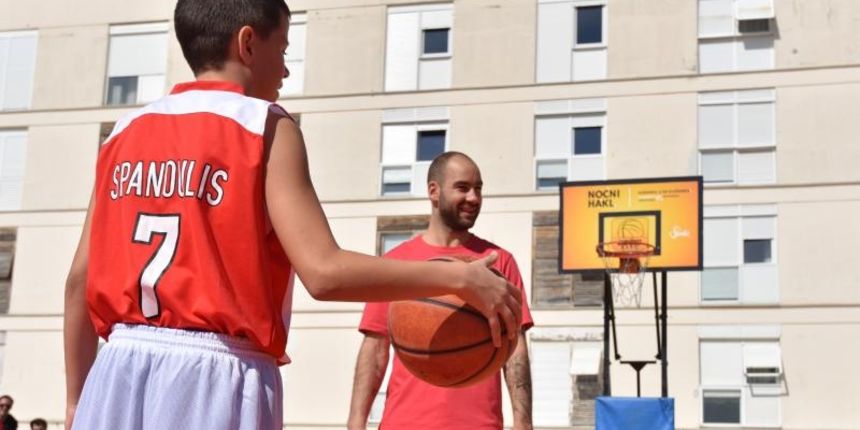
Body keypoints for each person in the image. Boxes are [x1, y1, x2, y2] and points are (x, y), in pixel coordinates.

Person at [63, 1, 522, 430]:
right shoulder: (264, 126)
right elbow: (323, 273)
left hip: (116, 369)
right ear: (247, 44)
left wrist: (75, 400)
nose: (284, 69)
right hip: (217, 373)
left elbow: (79, 281)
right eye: (281, 49)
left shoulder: (123, 133)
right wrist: (457, 279)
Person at [347, 152, 534, 430]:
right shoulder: (396, 263)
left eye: (478, 189)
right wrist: (356, 421)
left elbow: (515, 346)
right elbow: (375, 347)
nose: (474, 197)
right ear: (434, 191)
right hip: (405, 423)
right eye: (463, 188)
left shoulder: (498, 261)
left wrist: (523, 421)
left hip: (479, 425)